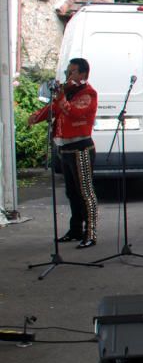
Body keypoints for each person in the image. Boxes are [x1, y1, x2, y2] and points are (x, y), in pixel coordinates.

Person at [28, 58, 99, 249]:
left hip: (81, 148)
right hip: (65, 149)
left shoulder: (88, 93)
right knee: (71, 192)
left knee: (85, 192)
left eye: (73, 71)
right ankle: (75, 230)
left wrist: (61, 97)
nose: (68, 75)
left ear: (83, 74)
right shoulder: (68, 93)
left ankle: (90, 233)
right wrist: (37, 117)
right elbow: (54, 109)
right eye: (68, 71)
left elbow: (74, 112)